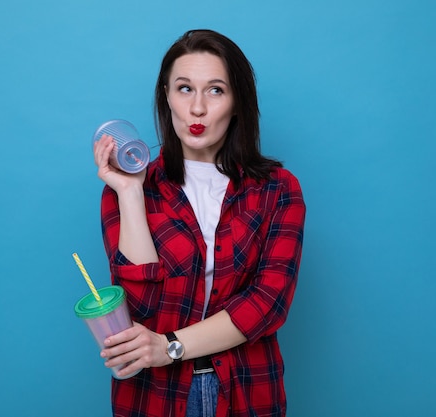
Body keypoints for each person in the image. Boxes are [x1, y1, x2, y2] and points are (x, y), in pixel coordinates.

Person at [93, 29, 306, 417]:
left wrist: (170, 346)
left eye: (216, 90)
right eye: (185, 88)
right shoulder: (128, 191)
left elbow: (268, 302)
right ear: (166, 96)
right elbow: (140, 308)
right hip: (154, 398)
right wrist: (130, 193)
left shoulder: (278, 190)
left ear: (237, 101)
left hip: (247, 391)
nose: (197, 109)